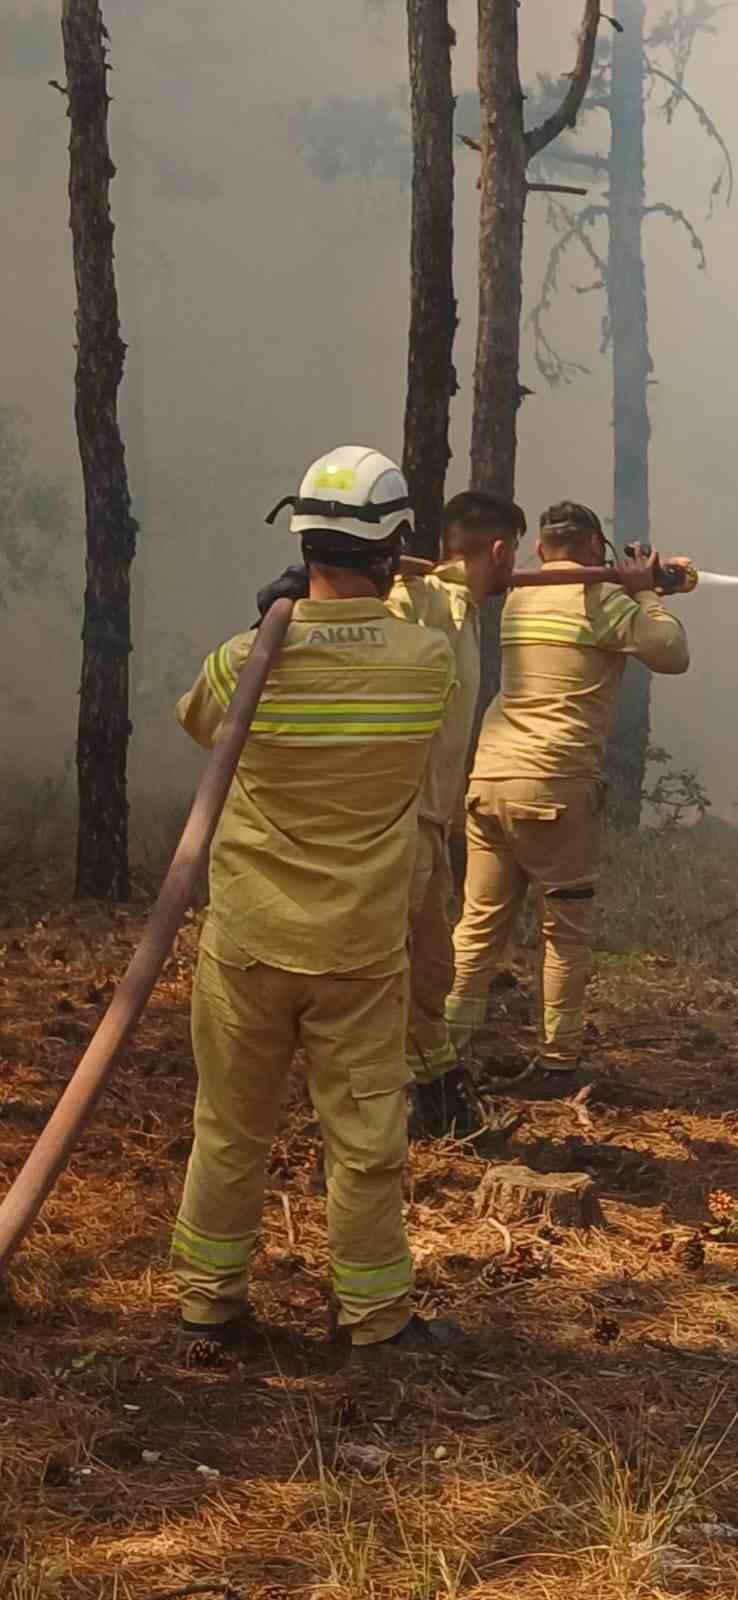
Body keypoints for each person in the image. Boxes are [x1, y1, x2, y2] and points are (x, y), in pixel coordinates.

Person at [171, 445, 459, 1363]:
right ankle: (374, 1319)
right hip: (359, 951)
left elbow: (199, 720)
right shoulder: (425, 664)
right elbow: (407, 633)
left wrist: (274, 628)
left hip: (249, 940)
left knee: (228, 1129)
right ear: (395, 546)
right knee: (366, 1141)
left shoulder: (242, 660)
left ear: (301, 545)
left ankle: (208, 1306)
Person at [445, 503, 690, 1074]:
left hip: (489, 780)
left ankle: (443, 1055)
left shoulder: (520, 596)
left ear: (539, 550)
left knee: (477, 926)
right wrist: (646, 593)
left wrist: (633, 589)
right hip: (555, 788)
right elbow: (671, 652)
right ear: (591, 550)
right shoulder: (601, 601)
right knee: (565, 931)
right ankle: (558, 1060)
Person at [384, 492, 524, 1135]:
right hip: (399, 818)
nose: (513, 569)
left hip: (433, 821)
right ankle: (383, 1106)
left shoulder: (463, 609)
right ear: (498, 550)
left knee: (433, 967)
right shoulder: (422, 602)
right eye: (511, 555)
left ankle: (438, 1089)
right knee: (391, 966)